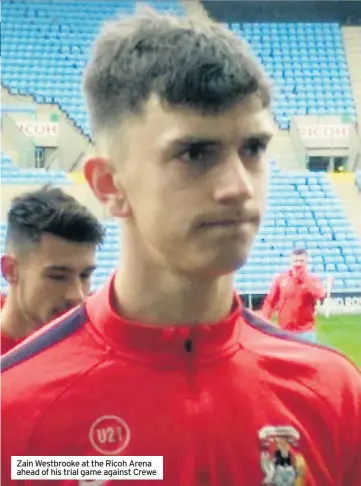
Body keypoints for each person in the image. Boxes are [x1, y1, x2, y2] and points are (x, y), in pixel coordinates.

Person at [1, 9, 360, 486]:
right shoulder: (18, 408)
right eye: (195, 153)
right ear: (109, 185)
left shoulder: (332, 391)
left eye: (253, 148)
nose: (238, 186)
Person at [0, 186, 104, 354]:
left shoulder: (95, 345)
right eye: (58, 277)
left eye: (85, 275)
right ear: (10, 270)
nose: (77, 296)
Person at [260, 248, 331, 342]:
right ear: (291, 262)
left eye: (302, 261)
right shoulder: (281, 279)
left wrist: (303, 277)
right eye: (296, 261)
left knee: (307, 356)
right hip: (285, 331)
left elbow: (320, 294)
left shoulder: (312, 280)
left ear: (306, 262)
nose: (298, 264)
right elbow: (270, 302)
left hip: (306, 331)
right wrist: (263, 322)